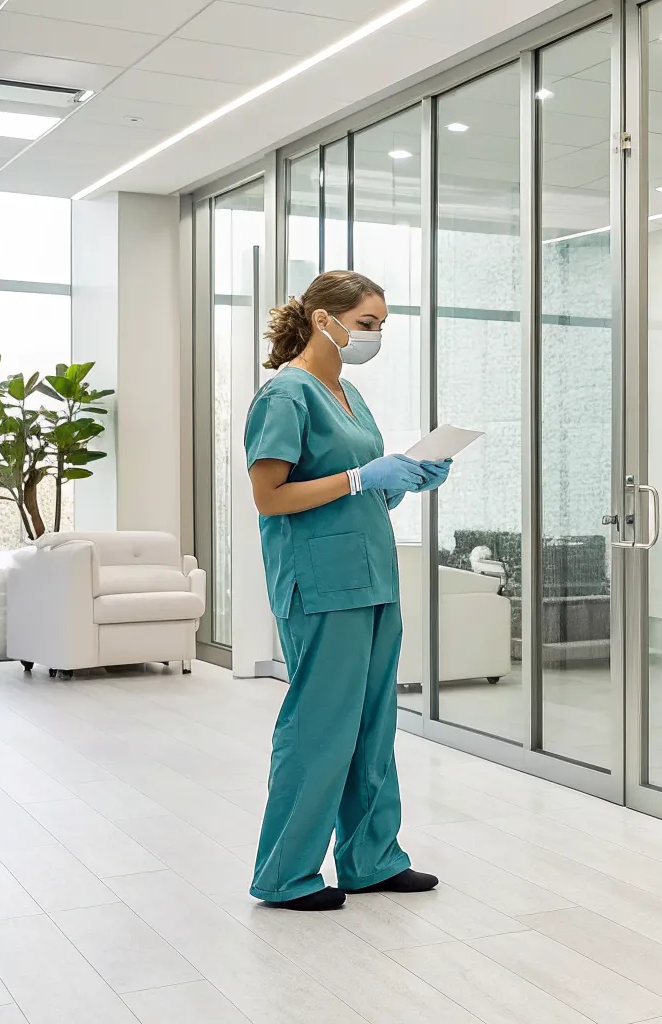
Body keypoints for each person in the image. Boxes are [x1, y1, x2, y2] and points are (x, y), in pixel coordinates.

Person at [243, 270, 451, 911]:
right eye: (366, 324)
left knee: (371, 726)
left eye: (382, 325)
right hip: (322, 582)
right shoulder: (284, 395)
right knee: (320, 728)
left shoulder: (348, 393)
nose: (374, 335)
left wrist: (402, 481)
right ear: (320, 319)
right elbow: (270, 496)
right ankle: (284, 876)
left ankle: (372, 861)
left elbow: (357, 489)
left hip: (372, 577)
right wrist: (362, 478)